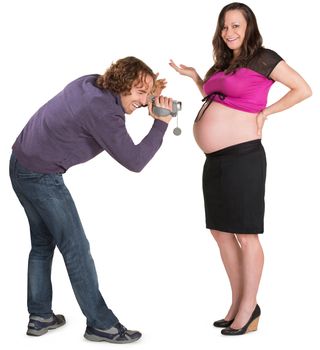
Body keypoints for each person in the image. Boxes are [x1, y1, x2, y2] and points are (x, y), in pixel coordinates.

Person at [169, 2, 312, 336]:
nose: (229, 32)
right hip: (214, 160)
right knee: (220, 231)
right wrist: (195, 77)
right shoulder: (223, 63)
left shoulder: (263, 58)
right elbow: (214, 95)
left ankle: (250, 308)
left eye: (235, 26)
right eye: (224, 26)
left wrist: (267, 112)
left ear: (248, 27)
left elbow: (303, 89)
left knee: (246, 235)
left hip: (243, 156)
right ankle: (238, 303)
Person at [9, 56, 173, 343]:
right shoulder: (102, 112)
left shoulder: (92, 83)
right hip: (40, 176)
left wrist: (145, 95)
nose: (144, 100)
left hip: (20, 163)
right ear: (122, 85)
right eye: (139, 92)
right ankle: (101, 324)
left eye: (148, 94)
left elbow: (122, 105)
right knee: (76, 249)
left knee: (42, 243)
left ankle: (40, 316)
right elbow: (134, 161)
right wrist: (160, 123)